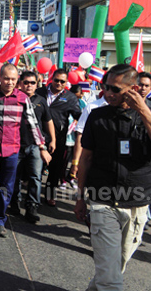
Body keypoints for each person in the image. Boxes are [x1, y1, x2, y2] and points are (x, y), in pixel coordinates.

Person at [74, 64, 151, 291]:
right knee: (110, 272)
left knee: (118, 263)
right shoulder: (97, 116)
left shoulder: (147, 114)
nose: (108, 93)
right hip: (102, 200)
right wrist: (80, 197)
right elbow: (86, 158)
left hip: (137, 200)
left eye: (115, 89)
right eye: (105, 87)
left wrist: (144, 111)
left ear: (134, 88)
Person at [0, 64, 51, 237]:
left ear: (17, 81)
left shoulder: (23, 98)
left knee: (7, 187)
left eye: (13, 79)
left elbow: (33, 125)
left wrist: (42, 147)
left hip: (12, 150)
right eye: (6, 78)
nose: (9, 82)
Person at [10, 71, 56, 223]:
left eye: (32, 83)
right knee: (14, 177)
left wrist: (53, 140)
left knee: (35, 177)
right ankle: (14, 203)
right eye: (26, 82)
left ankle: (32, 206)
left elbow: (48, 121)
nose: (29, 85)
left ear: (37, 84)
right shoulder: (13, 98)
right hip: (15, 144)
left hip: (36, 146)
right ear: (20, 83)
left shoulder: (41, 100)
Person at [36, 69, 81, 206]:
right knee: (36, 167)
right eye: (56, 80)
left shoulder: (71, 98)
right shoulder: (39, 92)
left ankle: (49, 195)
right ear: (52, 79)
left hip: (58, 139)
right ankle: (33, 196)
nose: (59, 83)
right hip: (38, 135)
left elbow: (79, 116)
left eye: (62, 81)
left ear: (66, 82)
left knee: (55, 169)